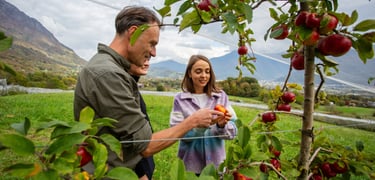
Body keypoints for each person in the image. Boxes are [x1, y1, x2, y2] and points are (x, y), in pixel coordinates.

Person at [73, 6, 222, 179]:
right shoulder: (108, 74)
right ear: (133, 32)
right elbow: (146, 145)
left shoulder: (114, 70)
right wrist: (193, 121)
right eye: (152, 43)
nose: (154, 52)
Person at [169, 54, 238, 175]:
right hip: (190, 167)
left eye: (207, 71)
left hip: (216, 168)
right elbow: (176, 132)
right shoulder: (180, 100)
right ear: (189, 73)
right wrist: (199, 127)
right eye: (198, 71)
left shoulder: (221, 97)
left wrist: (221, 127)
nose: (204, 76)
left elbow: (233, 132)